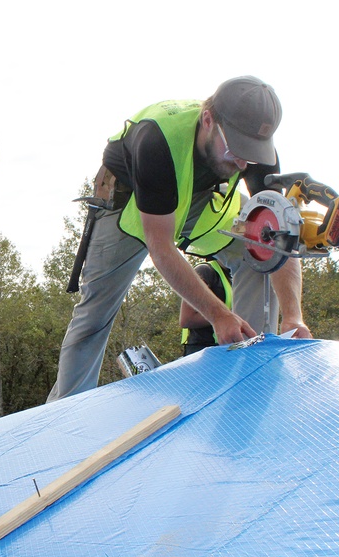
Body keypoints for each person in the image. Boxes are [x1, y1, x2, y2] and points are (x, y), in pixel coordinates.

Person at [49, 75, 312, 402]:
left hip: (202, 200)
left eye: (252, 153)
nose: (244, 162)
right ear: (208, 120)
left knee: (256, 247)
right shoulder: (157, 141)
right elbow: (161, 247)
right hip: (125, 200)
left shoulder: (256, 154)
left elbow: (278, 237)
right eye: (236, 150)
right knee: (95, 314)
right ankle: (65, 410)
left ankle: (249, 381)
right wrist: (219, 315)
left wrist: (293, 315)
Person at [180, 259, 232, 356]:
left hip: (223, 349)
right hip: (201, 352)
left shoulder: (233, 274)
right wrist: (226, 315)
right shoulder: (204, 271)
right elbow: (186, 319)